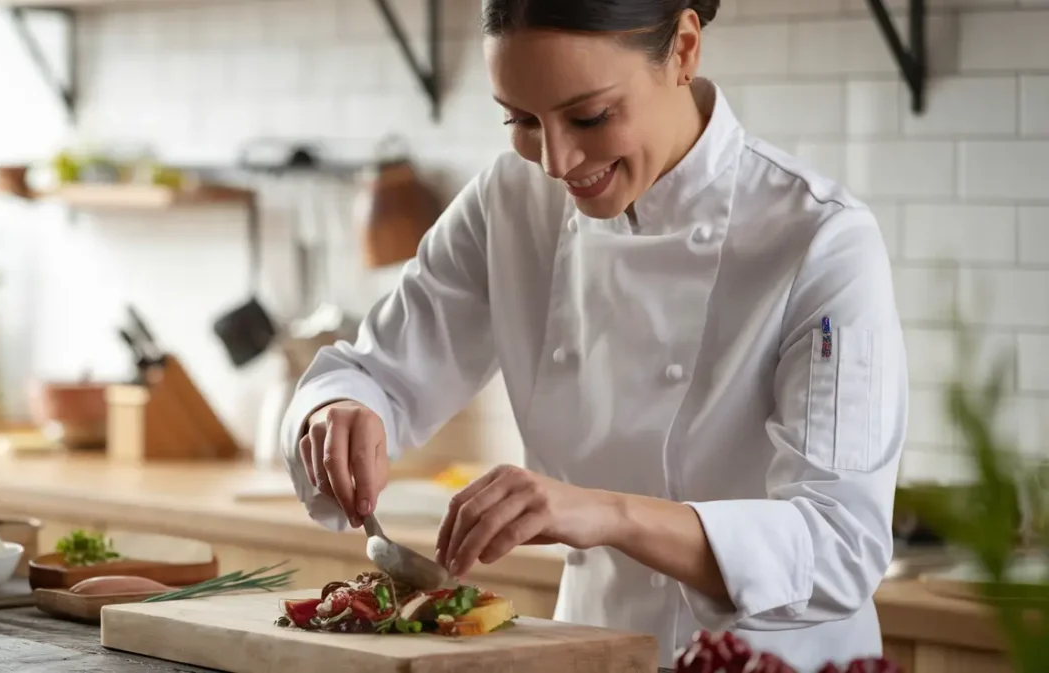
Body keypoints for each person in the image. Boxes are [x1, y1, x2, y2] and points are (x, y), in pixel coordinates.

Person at [279, 0, 908, 669]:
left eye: (590, 116)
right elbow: (375, 371)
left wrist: (605, 512)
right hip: (591, 651)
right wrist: (339, 409)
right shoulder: (509, 201)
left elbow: (839, 545)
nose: (554, 161)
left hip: (771, 658)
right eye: (520, 119)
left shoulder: (817, 236)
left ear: (685, 50)